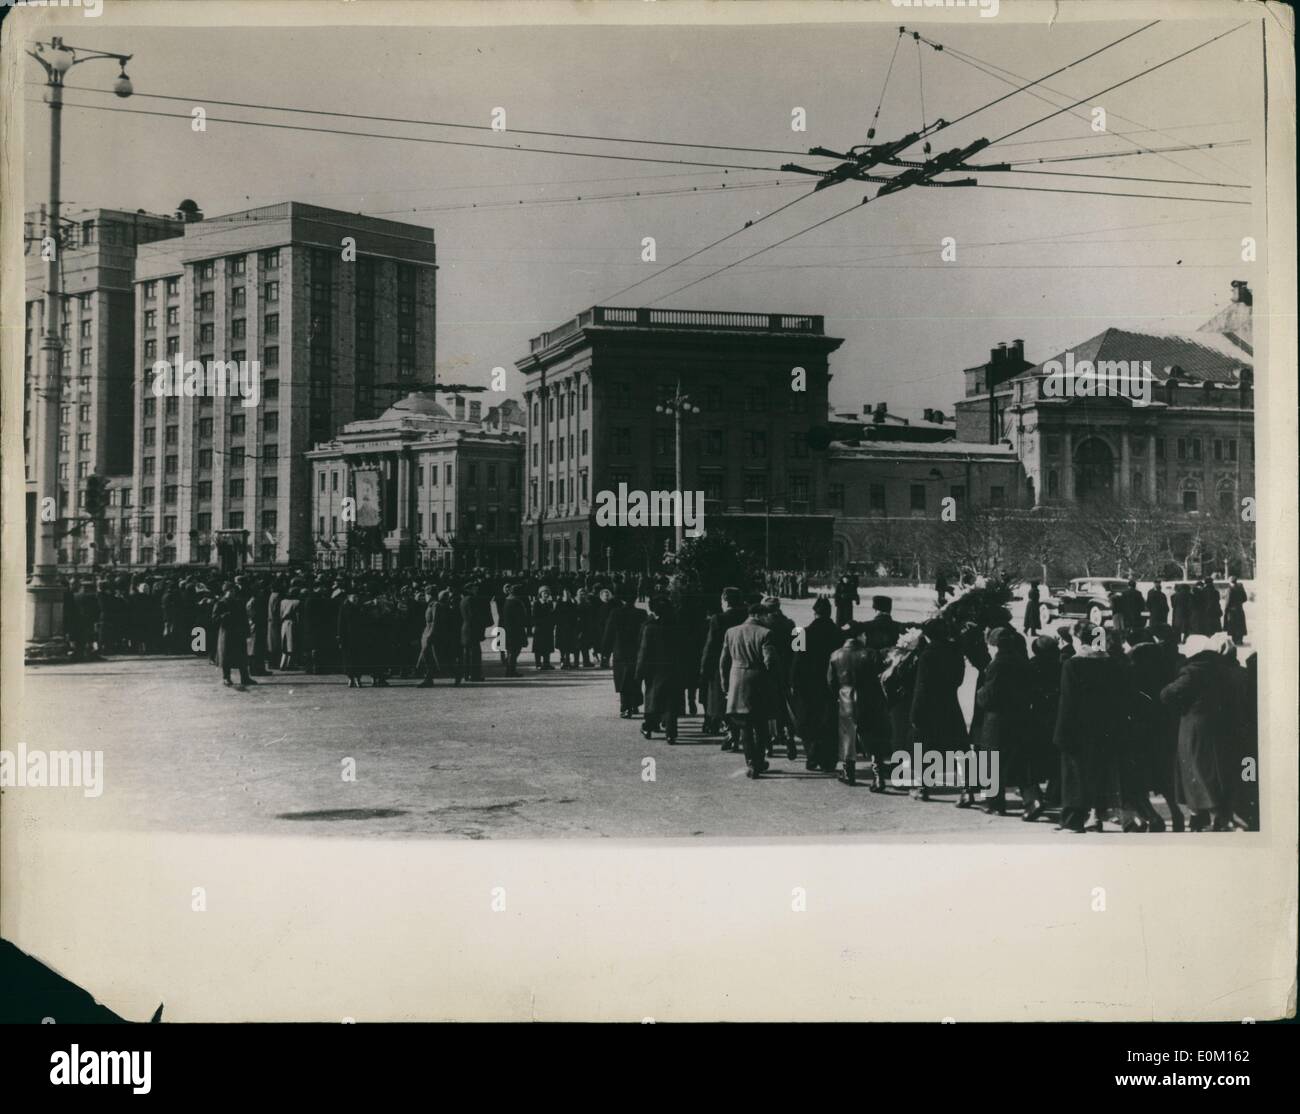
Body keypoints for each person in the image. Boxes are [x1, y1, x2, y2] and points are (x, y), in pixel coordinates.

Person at [1054, 621, 1128, 833]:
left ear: (1080, 640)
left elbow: (1068, 702)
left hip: (1078, 730)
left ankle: (1073, 820)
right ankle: (1095, 816)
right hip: (1105, 728)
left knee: (1075, 776)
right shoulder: (1111, 663)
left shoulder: (1073, 664)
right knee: (1099, 773)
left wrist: (1061, 734)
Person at [1160, 633, 1237, 831]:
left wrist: (1181, 706)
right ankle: (1215, 815)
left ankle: (1206, 815)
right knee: (1213, 770)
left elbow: (1168, 694)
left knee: (1195, 771)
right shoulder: (1221, 668)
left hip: (1194, 728)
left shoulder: (1192, 671)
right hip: (1219, 725)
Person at [974, 627, 1032, 815]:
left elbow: (989, 695)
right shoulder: (1021, 661)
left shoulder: (996, 664)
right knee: (1015, 759)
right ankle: (1032, 800)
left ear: (994, 645)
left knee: (991, 760)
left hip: (996, 719)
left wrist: (980, 694)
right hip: (1018, 716)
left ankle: (995, 803)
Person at [909, 618, 968, 802]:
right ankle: (967, 789)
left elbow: (922, 686)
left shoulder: (927, 654)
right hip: (950, 702)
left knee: (923, 746)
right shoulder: (955, 652)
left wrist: (915, 712)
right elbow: (959, 680)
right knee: (959, 747)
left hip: (929, 706)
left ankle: (922, 787)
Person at [827, 627, 890, 788]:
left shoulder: (835, 655)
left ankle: (849, 773)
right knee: (872, 736)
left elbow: (831, 681)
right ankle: (878, 776)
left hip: (845, 696)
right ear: (860, 635)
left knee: (848, 736)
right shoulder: (870, 653)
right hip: (868, 697)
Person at [719, 604, 777, 779]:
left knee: (744, 725)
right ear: (759, 615)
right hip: (758, 681)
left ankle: (750, 761)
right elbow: (770, 662)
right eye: (766, 615)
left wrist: (725, 683)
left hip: (737, 680)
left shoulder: (731, 632)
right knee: (760, 725)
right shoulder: (765, 633)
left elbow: (723, 661)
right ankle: (758, 762)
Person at [790, 597, 843, 772]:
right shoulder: (839, 633)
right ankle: (829, 760)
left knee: (809, 720)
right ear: (830, 613)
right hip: (832, 685)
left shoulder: (800, 633)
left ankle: (812, 756)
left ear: (814, 613)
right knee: (829, 722)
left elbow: (795, 663)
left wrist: (794, 684)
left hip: (808, 685)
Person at [699, 587, 747, 745]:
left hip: (722, 664)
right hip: (741, 662)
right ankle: (738, 732)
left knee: (722, 700)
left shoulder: (718, 619)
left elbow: (711, 646)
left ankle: (730, 732)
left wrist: (704, 667)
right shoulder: (746, 616)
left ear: (726, 601)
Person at [636, 596, 686, 743]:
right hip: (674, 669)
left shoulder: (650, 628)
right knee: (671, 701)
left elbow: (644, 652)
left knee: (653, 700)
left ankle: (648, 726)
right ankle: (671, 733)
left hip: (654, 670)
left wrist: (639, 672)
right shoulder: (678, 627)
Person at [1023, 635, 1061, 822]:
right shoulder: (1061, 665)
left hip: (1035, 718)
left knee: (1031, 760)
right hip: (1054, 718)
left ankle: (1034, 798)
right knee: (1054, 758)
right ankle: (1053, 794)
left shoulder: (1030, 666)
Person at [760, 597, 797, 760]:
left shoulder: (763, 626)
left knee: (767, 708)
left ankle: (769, 745)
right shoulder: (791, 623)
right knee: (786, 707)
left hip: (768, 673)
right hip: (786, 671)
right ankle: (790, 740)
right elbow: (799, 650)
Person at [605, 591, 647, 718]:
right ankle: (635, 705)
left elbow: (609, 633)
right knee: (635, 677)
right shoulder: (641, 613)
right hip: (636, 650)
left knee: (622, 679)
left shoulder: (615, 613)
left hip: (620, 650)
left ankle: (625, 707)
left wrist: (605, 652)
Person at [215, 583, 253, 689]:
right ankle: (226, 677)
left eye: (233, 591)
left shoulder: (238, 602)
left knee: (242, 655)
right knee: (226, 656)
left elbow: (244, 617)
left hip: (238, 632)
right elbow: (215, 618)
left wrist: (247, 631)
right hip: (226, 633)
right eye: (230, 591)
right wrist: (225, 615)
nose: (232, 593)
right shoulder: (220, 603)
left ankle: (245, 677)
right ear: (225, 591)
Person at [501, 585, 530, 677]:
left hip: (509, 630)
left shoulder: (508, 600)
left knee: (512, 651)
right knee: (515, 651)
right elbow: (521, 618)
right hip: (516, 630)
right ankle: (510, 671)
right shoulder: (516, 602)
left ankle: (510, 670)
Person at [461, 582, 486, 681]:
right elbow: (474, 616)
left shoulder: (463, 600)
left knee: (466, 653)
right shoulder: (472, 599)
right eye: (474, 588)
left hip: (465, 628)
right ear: (469, 589)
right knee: (475, 653)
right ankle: (475, 675)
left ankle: (466, 674)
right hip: (472, 629)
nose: (476, 590)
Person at [531, 585, 557, 671]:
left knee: (547, 646)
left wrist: (552, 624)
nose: (546, 594)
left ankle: (546, 663)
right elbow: (535, 616)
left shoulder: (550, 603)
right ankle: (538, 664)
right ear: (540, 594)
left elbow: (552, 615)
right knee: (538, 647)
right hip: (540, 628)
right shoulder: (537, 603)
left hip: (548, 628)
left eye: (547, 593)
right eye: (544, 593)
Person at [1223, 575, 1248, 645]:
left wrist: (1226, 609)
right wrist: (1239, 603)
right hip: (1240, 609)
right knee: (1240, 625)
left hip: (1232, 610)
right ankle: (1240, 640)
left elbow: (1228, 601)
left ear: (1230, 581)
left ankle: (1235, 640)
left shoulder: (1230, 589)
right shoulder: (1240, 588)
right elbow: (1245, 598)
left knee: (1233, 625)